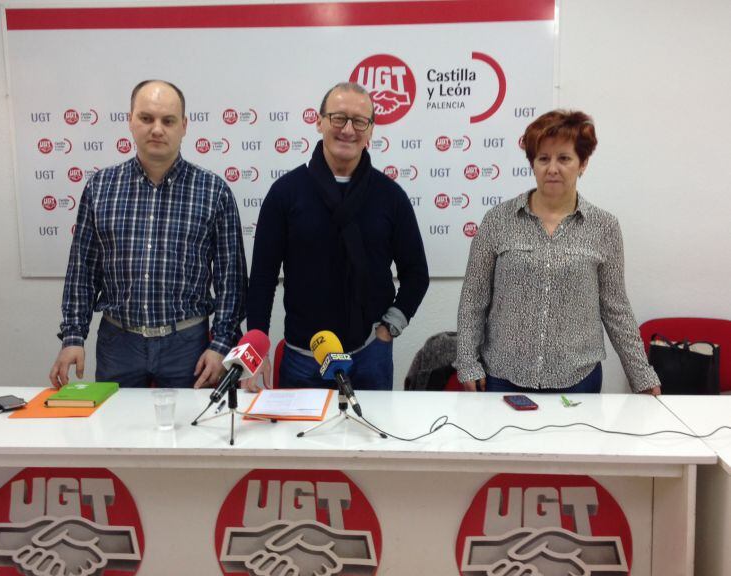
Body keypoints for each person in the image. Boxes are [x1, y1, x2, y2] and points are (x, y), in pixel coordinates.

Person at [49, 79, 247, 389]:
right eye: (146, 118)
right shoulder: (100, 189)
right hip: (118, 344)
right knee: (115, 432)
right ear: (130, 120)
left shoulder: (214, 191)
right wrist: (73, 337)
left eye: (168, 121)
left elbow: (230, 280)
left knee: (190, 433)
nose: (157, 129)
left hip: (188, 345)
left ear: (184, 126)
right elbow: (82, 272)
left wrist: (220, 344)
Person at [456, 110, 661, 395]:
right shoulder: (497, 220)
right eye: (543, 159)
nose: (552, 168)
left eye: (564, 158)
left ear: (583, 163)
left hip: (578, 379)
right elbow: (473, 299)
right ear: (533, 164)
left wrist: (642, 376)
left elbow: (616, 308)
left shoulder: (604, 227)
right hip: (504, 375)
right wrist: (467, 362)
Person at [244, 82, 429, 391]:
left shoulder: (390, 196)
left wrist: (387, 330)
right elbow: (262, 278)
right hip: (303, 357)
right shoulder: (286, 194)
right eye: (338, 118)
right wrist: (255, 351)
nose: (348, 130)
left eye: (359, 121)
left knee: (371, 439)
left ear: (370, 131)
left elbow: (417, 274)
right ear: (319, 122)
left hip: (370, 354)